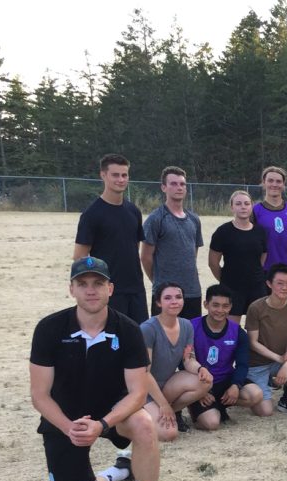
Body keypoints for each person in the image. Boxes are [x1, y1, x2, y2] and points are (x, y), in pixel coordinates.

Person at [30, 257, 164, 481]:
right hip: (66, 417)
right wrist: (68, 427)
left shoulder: (128, 330)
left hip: (111, 413)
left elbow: (138, 393)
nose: (91, 290)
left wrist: (103, 424)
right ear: (71, 289)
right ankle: (116, 473)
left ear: (110, 289)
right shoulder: (49, 329)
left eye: (98, 283)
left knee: (144, 424)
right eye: (83, 284)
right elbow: (39, 395)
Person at [74, 153, 147, 322]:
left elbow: (133, 248)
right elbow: (80, 257)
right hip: (109, 291)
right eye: (115, 175)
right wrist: (97, 287)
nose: (121, 180)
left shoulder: (133, 211)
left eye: (124, 175)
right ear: (103, 175)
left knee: (138, 340)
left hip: (136, 289)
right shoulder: (92, 214)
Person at [140, 283, 212, 440]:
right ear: (158, 302)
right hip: (145, 389)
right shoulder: (148, 329)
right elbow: (144, 374)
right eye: (167, 298)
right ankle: (143, 412)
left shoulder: (186, 325)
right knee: (169, 434)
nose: (174, 301)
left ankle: (171, 410)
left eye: (178, 297)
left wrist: (201, 369)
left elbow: (188, 359)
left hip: (167, 385)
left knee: (206, 381)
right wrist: (163, 404)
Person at [188, 285, 264, 430]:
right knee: (212, 424)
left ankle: (219, 405)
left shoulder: (237, 331)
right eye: (215, 305)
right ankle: (195, 407)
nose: (220, 310)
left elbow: (242, 364)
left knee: (255, 395)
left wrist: (235, 385)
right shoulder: (191, 327)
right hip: (201, 381)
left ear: (230, 307)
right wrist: (200, 392)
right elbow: (184, 361)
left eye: (225, 306)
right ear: (206, 304)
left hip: (224, 380)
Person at [244, 264, 287, 416]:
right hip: (257, 363)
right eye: (280, 283)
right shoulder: (256, 307)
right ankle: (249, 383)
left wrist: (286, 365)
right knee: (265, 411)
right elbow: (253, 342)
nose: (284, 288)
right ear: (269, 283)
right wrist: (279, 358)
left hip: (280, 360)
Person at [140, 166, 204, 320]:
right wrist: (158, 282)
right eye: (173, 184)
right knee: (164, 339)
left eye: (182, 184)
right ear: (164, 187)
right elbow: (146, 257)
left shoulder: (194, 219)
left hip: (192, 292)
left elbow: (192, 254)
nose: (179, 188)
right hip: (165, 294)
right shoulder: (156, 219)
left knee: (189, 339)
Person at [208, 190, 268, 325]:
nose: (243, 207)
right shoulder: (223, 232)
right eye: (238, 204)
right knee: (231, 330)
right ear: (232, 207)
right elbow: (213, 262)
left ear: (251, 206)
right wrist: (225, 280)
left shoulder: (260, 231)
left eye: (247, 203)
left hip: (257, 287)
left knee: (258, 329)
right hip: (232, 288)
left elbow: (263, 256)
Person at [252, 166, 287, 271]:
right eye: (270, 181)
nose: (274, 184)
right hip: (264, 269)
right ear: (263, 183)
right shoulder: (254, 211)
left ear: (283, 185)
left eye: (278, 181)